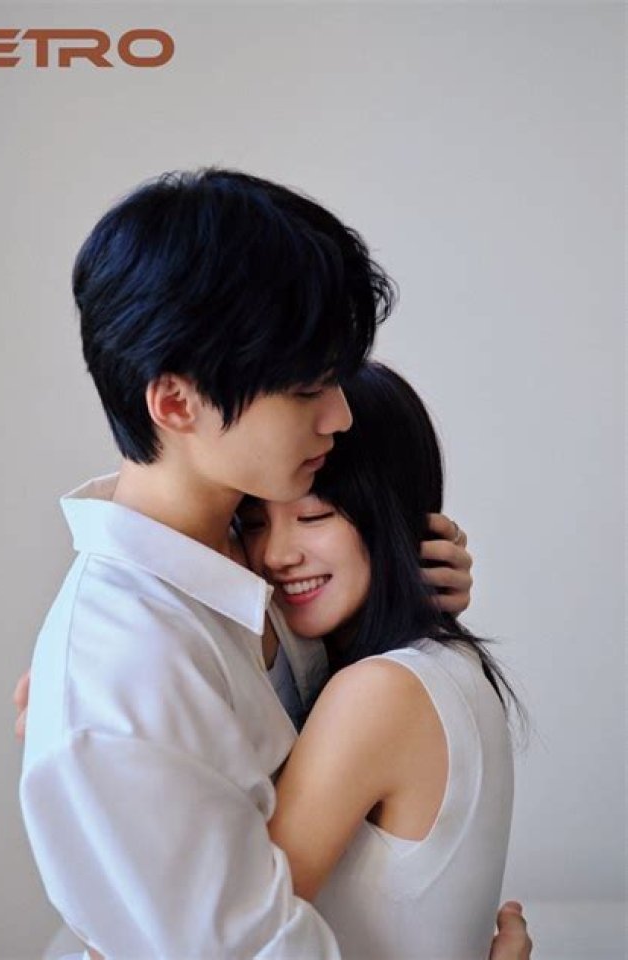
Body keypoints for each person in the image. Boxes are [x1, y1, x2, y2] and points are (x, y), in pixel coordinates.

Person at [18, 168, 531, 959]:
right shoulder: (121, 675)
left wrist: (400, 588)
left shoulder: (255, 552)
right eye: (306, 389)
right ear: (177, 404)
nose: (342, 414)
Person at [237, 362, 521, 959]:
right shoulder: (437, 664)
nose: (276, 553)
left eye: (314, 516)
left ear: (391, 511)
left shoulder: (380, 690)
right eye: (255, 522)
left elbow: (228, 939)